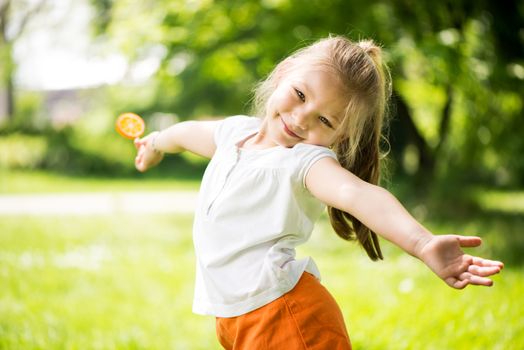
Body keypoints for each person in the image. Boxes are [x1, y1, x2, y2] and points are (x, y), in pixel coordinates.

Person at [133, 36, 503, 349]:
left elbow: (357, 194)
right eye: (299, 95)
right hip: (237, 318)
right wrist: (156, 143)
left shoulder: (305, 162)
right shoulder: (234, 134)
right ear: (282, 73)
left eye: (325, 120)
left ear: (339, 138)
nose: (301, 119)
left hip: (285, 318)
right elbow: (184, 134)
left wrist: (421, 243)